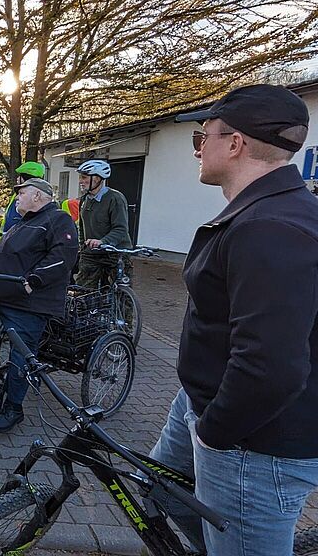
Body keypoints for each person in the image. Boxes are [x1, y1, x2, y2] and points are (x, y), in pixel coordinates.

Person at [147, 84, 318, 556]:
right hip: (205, 404)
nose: (199, 149)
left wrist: (214, 434)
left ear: (235, 143)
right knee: (158, 486)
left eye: (204, 137)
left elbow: (271, 368)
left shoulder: (270, 227)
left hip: (250, 445)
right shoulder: (267, 211)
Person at [0, 177, 78, 432]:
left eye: (21, 193)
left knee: (20, 355)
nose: (17, 198)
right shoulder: (24, 222)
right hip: (3, 289)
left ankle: (13, 407)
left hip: (29, 301)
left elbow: (64, 256)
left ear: (38, 196)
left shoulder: (57, 219)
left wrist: (34, 280)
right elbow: (1, 251)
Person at [74, 159, 132, 288]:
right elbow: (83, 226)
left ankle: (122, 307)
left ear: (98, 178)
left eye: (84, 177)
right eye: (80, 177)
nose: (81, 181)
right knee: (83, 291)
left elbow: (120, 229)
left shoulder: (115, 199)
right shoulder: (84, 200)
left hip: (115, 252)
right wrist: (83, 245)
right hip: (92, 253)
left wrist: (102, 241)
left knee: (121, 292)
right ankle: (88, 308)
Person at [0, 161, 45, 232]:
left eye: (20, 176)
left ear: (25, 178)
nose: (17, 178)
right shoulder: (19, 194)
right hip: (10, 237)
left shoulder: (33, 197)